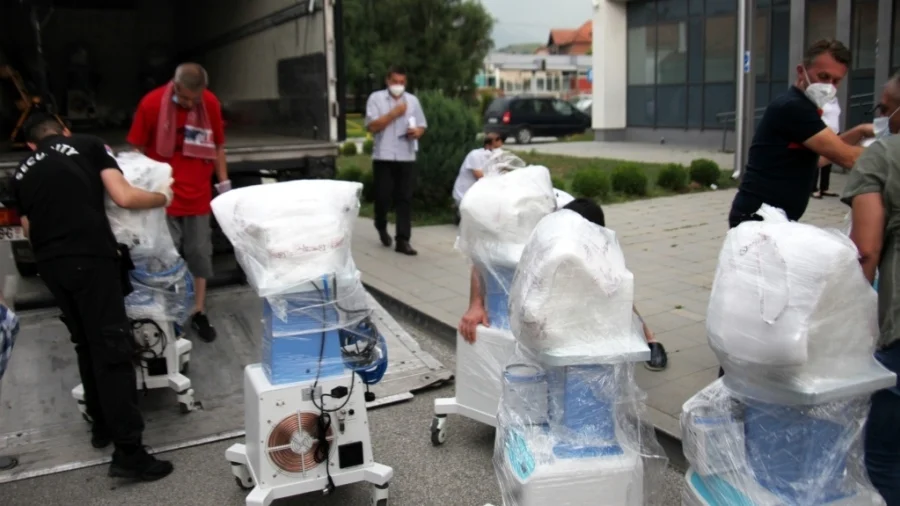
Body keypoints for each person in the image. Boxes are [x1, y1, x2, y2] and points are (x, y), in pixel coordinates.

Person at [13, 114, 174, 481]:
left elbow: (28, 229)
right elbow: (124, 196)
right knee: (113, 350)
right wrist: (162, 197)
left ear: (31, 144)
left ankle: (101, 427)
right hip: (89, 258)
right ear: (65, 131)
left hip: (51, 266)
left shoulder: (20, 172)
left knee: (85, 344)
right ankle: (129, 453)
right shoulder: (87, 144)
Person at [458, 198, 668, 371]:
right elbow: (481, 257)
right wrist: (475, 304)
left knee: (612, 282)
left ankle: (649, 337)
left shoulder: (591, 229)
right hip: (528, 260)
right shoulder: (536, 224)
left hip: (584, 230)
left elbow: (616, 285)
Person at [127, 62, 228, 342]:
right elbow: (136, 149)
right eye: (184, 98)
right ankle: (166, 313)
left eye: (195, 99)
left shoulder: (209, 103)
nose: (189, 104)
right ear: (175, 85)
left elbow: (218, 146)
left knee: (199, 254)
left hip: (198, 194)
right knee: (163, 258)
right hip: (163, 196)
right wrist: (137, 189)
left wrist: (224, 185)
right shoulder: (151, 104)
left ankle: (198, 310)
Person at [729, 39, 872, 230]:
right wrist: (890, 151)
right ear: (801, 71)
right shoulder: (794, 108)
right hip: (758, 221)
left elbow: (820, 158)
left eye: (836, 81)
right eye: (823, 76)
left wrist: (860, 131)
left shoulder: (803, 106)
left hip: (771, 219)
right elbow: (848, 158)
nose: (829, 86)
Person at [840, 72, 900, 506]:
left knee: (884, 459)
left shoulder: (883, 155)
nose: (881, 117)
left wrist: (847, 320)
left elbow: (866, 249)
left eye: (884, 108)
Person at [365, 65, 427, 256]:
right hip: (383, 155)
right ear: (387, 81)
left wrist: (417, 132)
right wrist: (394, 113)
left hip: (405, 155)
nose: (398, 86)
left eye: (402, 82)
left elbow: (422, 125)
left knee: (404, 198)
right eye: (395, 82)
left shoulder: (413, 101)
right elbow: (372, 126)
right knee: (383, 197)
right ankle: (381, 224)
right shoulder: (376, 98)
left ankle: (403, 240)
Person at [452, 133, 503, 209]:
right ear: (488, 146)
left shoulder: (494, 157)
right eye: (496, 148)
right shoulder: (475, 155)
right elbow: (480, 177)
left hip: (477, 195)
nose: (499, 151)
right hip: (465, 196)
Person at [812, 97, 842, 199]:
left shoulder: (835, 100)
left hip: (835, 133)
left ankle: (824, 188)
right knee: (817, 160)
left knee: (828, 161)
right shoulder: (819, 99)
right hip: (823, 133)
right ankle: (812, 188)